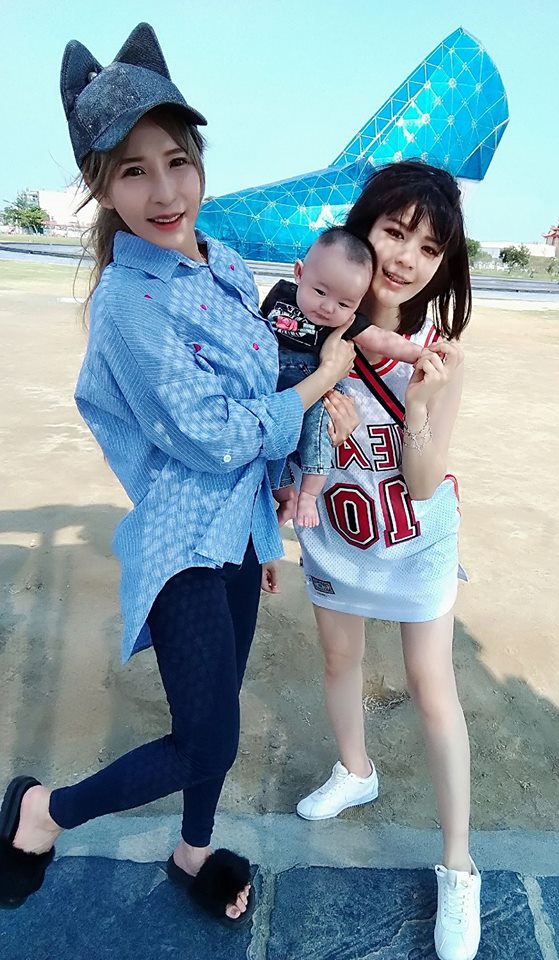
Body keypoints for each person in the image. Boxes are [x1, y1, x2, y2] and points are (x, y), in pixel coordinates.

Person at [0, 23, 356, 922]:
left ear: (198, 161)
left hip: (238, 533)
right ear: (101, 185)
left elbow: (258, 396)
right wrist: (325, 380)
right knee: (206, 740)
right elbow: (216, 436)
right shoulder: (128, 301)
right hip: (182, 542)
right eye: (132, 171)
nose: (163, 191)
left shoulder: (223, 264)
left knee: (215, 714)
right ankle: (44, 812)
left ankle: (192, 849)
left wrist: (270, 512)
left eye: (176, 162)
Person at [290, 160, 482, 960]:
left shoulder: (438, 355)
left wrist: (417, 404)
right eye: (394, 232)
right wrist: (318, 396)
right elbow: (275, 420)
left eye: (428, 248)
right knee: (339, 659)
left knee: (432, 689)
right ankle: (355, 770)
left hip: (414, 542)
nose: (406, 258)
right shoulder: (313, 320)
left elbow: (423, 481)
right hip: (337, 534)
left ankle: (458, 866)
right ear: (363, 226)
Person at [261, 227, 423, 527]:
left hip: (317, 395)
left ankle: (308, 494)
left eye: (344, 304)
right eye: (320, 292)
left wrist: (418, 354)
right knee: (267, 447)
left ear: (357, 305)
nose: (328, 307)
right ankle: (286, 497)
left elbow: (382, 340)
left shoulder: (346, 322)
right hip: (273, 393)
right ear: (299, 273)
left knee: (320, 431)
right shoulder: (279, 297)